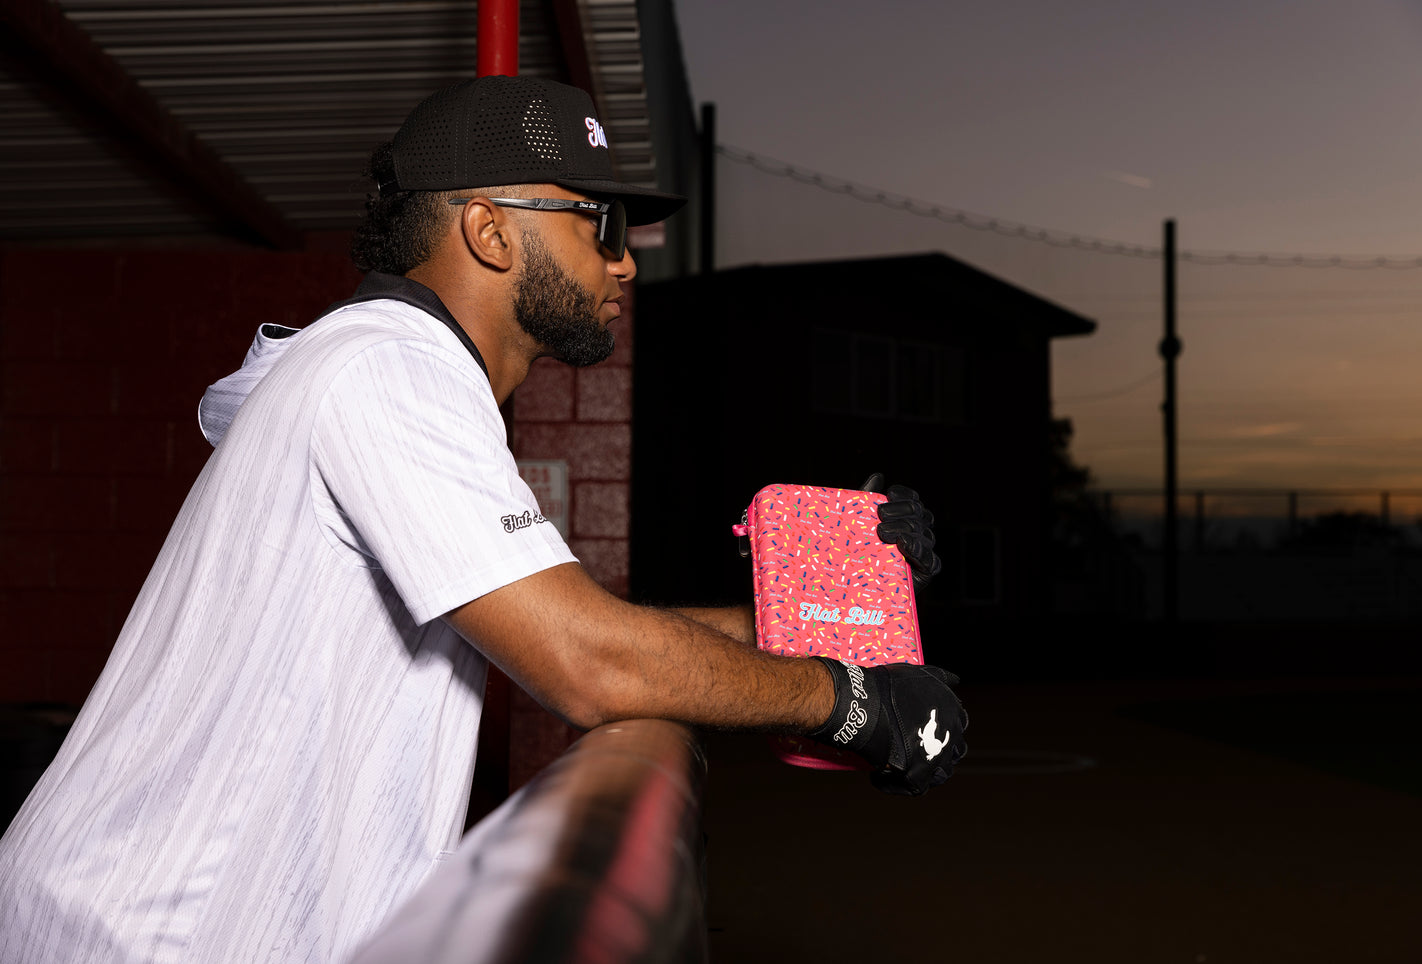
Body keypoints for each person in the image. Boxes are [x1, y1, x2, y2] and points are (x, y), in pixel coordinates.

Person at [0, 76, 966, 964]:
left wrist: (843, 608)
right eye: (602, 223)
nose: (625, 264)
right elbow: (589, 665)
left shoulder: (394, 376)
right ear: (490, 232)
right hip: (153, 929)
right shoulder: (389, 370)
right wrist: (848, 703)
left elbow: (585, 633)